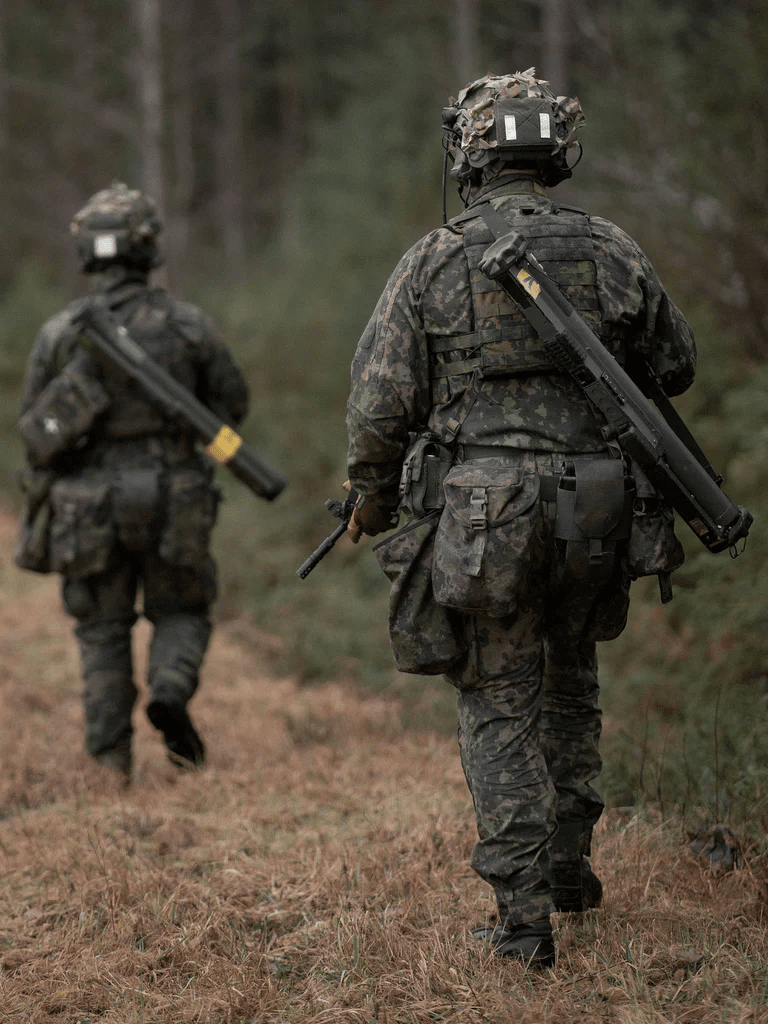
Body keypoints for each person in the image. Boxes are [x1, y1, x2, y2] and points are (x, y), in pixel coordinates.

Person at [344, 71, 696, 967]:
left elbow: (380, 404)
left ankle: (524, 922)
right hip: (596, 502)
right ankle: (570, 874)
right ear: (556, 151)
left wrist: (372, 495)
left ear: (469, 154)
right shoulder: (613, 246)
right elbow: (677, 364)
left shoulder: (434, 258)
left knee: (500, 702)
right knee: (572, 683)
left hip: (485, 512)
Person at [15, 182, 249, 784]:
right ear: (148, 248)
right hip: (176, 497)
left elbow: (33, 428)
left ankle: (110, 765)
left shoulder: (60, 332)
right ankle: (169, 688)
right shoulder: (189, 326)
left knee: (101, 631)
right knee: (183, 610)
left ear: (87, 252)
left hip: (87, 507)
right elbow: (231, 406)